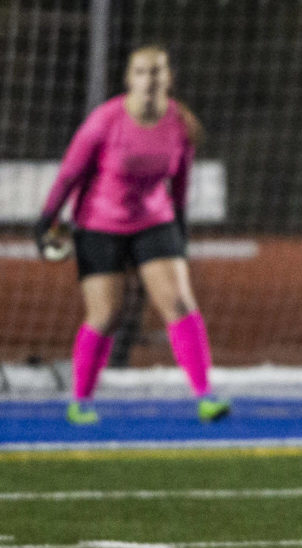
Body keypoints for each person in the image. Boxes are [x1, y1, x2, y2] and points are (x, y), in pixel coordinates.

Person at [35, 45, 230, 425]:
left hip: (154, 220)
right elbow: (70, 173)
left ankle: (206, 396)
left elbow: (181, 180)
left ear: (168, 78)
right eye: (141, 71)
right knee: (106, 314)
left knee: (179, 303)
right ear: (129, 79)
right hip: (98, 223)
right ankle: (81, 400)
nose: (150, 79)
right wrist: (46, 220)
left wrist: (181, 226)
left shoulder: (181, 123)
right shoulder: (105, 121)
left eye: (157, 71)